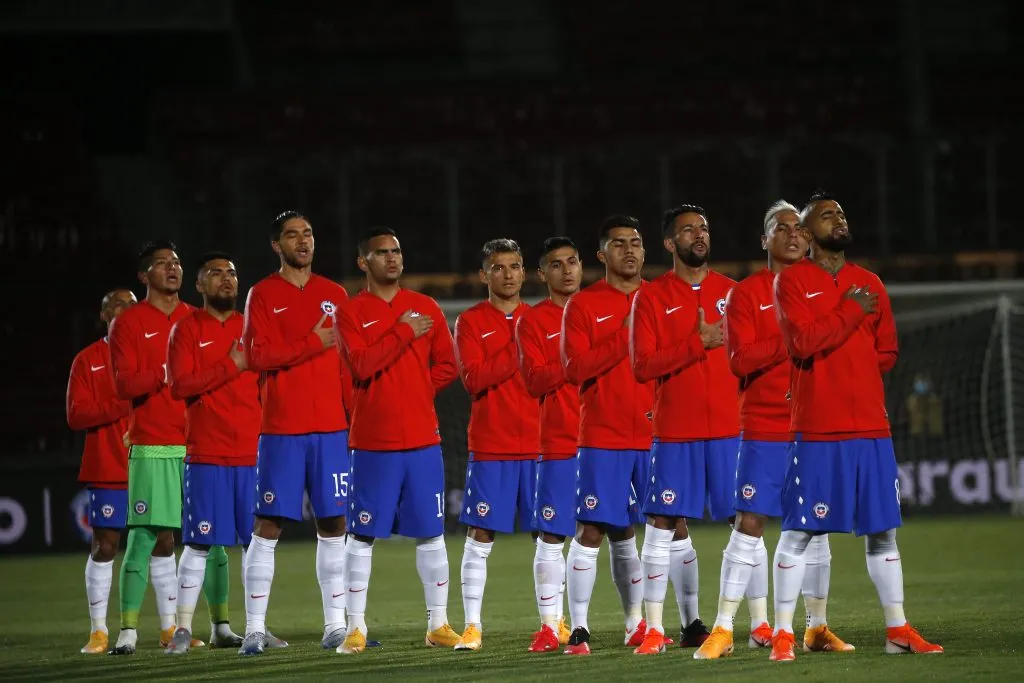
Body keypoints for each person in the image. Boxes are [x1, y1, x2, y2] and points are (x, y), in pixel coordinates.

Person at [769, 191, 943, 660]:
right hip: (817, 428)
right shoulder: (791, 282)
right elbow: (803, 343)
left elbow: (887, 350)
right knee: (799, 530)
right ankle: (784, 633)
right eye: (828, 215)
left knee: (882, 531)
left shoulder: (870, 282)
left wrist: (852, 369)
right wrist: (848, 313)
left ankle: (897, 629)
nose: (839, 220)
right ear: (805, 234)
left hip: (870, 427)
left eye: (842, 213)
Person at [696, 200, 853, 659]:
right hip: (764, 424)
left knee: (817, 526)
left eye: (797, 228)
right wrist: (795, 335)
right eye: (779, 228)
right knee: (749, 522)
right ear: (765, 240)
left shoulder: (824, 286)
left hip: (816, 422)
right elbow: (739, 359)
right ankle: (723, 627)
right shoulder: (746, 294)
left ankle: (816, 627)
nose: (791, 234)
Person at [335, 228, 460, 654]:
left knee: (432, 534)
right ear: (363, 263)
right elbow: (363, 365)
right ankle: (356, 628)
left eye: (397, 252)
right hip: (373, 443)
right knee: (362, 535)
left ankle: (438, 624)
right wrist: (404, 332)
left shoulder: (425, 307)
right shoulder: (351, 313)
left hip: (423, 440)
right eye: (382, 253)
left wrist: (416, 391)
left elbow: (448, 364)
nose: (392, 259)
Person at [238, 211, 351, 655]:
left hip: (331, 430)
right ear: (276, 245)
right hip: (282, 429)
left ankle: (335, 626)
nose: (302, 241)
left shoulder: (335, 294)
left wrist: (353, 418)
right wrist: (312, 342)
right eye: (292, 235)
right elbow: (257, 355)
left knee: (335, 523)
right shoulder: (263, 294)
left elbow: (346, 363)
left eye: (308, 233)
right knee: (267, 525)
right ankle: (254, 628)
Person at [108, 241, 225, 655]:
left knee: (209, 538)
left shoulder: (196, 318)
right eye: (162, 264)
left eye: (176, 262)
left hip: (199, 443)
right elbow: (123, 385)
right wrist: (166, 373)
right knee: (143, 537)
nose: (172, 269)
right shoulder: (128, 323)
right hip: (154, 445)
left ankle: (220, 627)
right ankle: (125, 633)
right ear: (144, 276)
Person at [629, 204, 735, 655]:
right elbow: (642, 365)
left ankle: (764, 623)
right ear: (670, 243)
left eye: (704, 228)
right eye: (688, 230)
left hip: (733, 430)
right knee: (662, 524)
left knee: (748, 523)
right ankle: (655, 628)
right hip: (674, 432)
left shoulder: (734, 292)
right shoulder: (650, 297)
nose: (699, 235)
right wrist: (697, 343)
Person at [164, 252, 275, 653]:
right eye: (216, 273)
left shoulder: (252, 327)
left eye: (232, 272)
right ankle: (180, 630)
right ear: (199, 285)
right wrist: (230, 365)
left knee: (256, 544)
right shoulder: (186, 330)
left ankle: (257, 629)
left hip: (254, 454)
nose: (227, 279)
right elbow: (180, 385)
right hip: (207, 453)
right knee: (198, 543)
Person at [559, 216, 653, 655]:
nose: (629, 250)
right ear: (602, 255)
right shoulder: (581, 306)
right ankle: (579, 628)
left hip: (659, 432)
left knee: (666, 526)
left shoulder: (660, 297)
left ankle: (641, 623)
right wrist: (626, 334)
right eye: (619, 244)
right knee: (592, 529)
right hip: (603, 434)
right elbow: (576, 368)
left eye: (636, 243)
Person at [452, 238, 541, 652]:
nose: (508, 274)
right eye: (499, 267)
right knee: (481, 532)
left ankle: (552, 623)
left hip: (543, 445)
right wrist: (520, 347)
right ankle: (472, 625)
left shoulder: (542, 318)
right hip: (492, 445)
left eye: (515, 266)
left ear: (525, 272)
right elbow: (474, 378)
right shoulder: (470, 322)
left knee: (550, 537)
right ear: (484, 274)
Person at [514, 237, 582, 652]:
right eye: (556, 265)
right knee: (551, 536)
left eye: (572, 261)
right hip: (557, 441)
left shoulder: (601, 309)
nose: (567, 270)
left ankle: (635, 625)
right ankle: (550, 625)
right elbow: (536, 380)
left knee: (625, 532)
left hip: (609, 438)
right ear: (542, 274)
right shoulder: (533, 321)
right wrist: (580, 358)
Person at [68, 288, 136, 653]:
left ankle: (171, 629)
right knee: (106, 546)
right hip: (108, 466)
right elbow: (76, 415)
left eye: (131, 305)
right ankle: (98, 632)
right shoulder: (87, 359)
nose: (125, 311)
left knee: (164, 543)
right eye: (117, 305)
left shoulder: (152, 353)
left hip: (151, 463)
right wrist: (123, 403)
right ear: (103, 315)